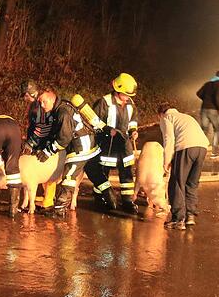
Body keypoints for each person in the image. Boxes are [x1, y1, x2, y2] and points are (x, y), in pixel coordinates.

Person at [34, 89, 106, 214]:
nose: (42, 105)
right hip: (88, 144)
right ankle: (111, 201)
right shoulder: (61, 107)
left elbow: (63, 138)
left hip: (80, 147)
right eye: (40, 103)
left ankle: (59, 210)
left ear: (51, 99)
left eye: (44, 102)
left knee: (68, 177)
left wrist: (48, 152)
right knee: (97, 176)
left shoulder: (63, 112)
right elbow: (56, 132)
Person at [86, 72, 140, 212]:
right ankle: (100, 198)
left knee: (127, 172)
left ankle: (127, 201)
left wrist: (133, 130)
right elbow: (94, 121)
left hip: (124, 144)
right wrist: (107, 130)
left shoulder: (130, 103)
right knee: (103, 171)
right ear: (117, 89)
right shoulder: (104, 102)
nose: (127, 97)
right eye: (125, 94)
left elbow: (133, 120)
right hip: (107, 143)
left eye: (129, 95)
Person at [158, 103, 209, 230]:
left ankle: (178, 219)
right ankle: (190, 216)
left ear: (160, 114)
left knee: (177, 183)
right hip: (202, 147)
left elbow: (169, 139)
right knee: (191, 183)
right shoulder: (185, 117)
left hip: (186, 147)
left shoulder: (167, 118)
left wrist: (166, 161)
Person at [22, 79, 58, 211]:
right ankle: (45, 196)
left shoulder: (39, 106)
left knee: (48, 171)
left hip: (44, 142)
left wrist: (31, 143)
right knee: (41, 171)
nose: (24, 98)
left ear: (31, 93)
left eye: (25, 95)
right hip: (41, 141)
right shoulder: (37, 104)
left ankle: (48, 200)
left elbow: (42, 128)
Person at [196, 70, 219, 158]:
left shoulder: (207, 84)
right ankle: (215, 152)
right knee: (217, 130)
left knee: (204, 130)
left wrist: (206, 100)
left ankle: (199, 151)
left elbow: (198, 93)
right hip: (213, 110)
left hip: (204, 109)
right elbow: (217, 96)